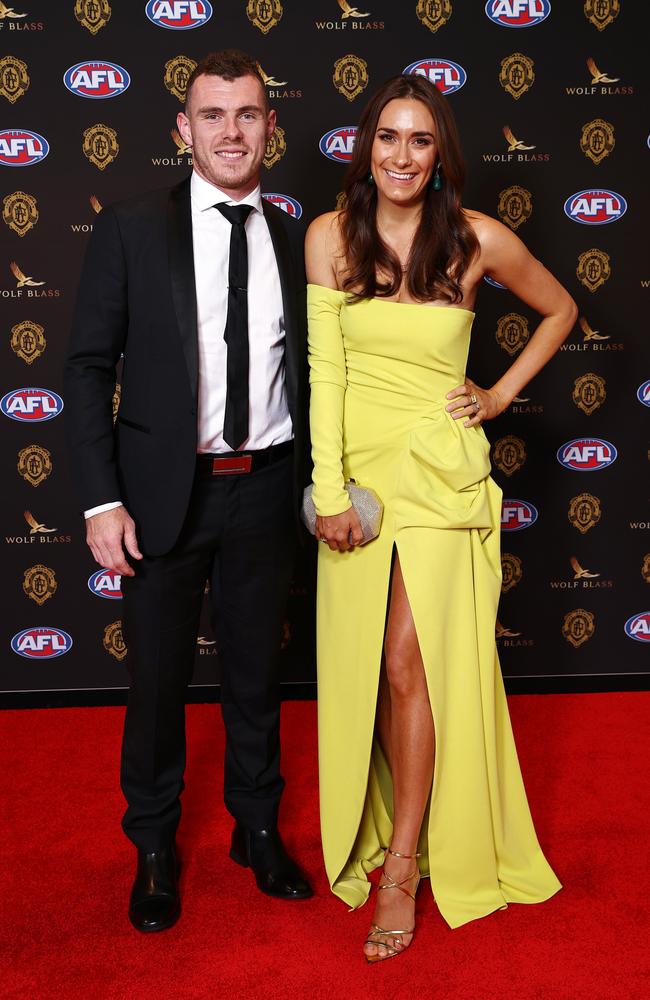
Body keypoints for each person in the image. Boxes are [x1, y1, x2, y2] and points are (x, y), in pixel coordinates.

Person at [305, 73, 573, 962]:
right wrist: (330, 491)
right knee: (382, 673)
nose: (402, 156)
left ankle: (404, 864)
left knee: (405, 657)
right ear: (366, 145)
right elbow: (327, 377)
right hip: (362, 484)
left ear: (440, 153)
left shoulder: (475, 240)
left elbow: (561, 308)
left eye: (420, 140)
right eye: (389, 137)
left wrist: (495, 395)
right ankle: (395, 824)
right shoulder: (327, 240)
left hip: (439, 477)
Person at [64, 49, 312, 933]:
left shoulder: (298, 236)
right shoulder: (133, 226)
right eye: (213, 115)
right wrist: (101, 502)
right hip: (164, 496)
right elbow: (88, 369)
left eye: (248, 114)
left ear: (270, 129)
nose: (232, 132)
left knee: (256, 675)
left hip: (269, 486)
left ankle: (257, 829)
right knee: (158, 683)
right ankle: (156, 846)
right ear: (184, 129)